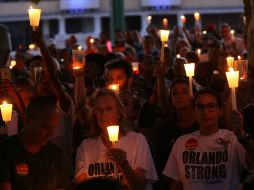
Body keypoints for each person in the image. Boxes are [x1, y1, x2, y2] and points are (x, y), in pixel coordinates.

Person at [163, 88, 254, 190]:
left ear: (220, 110)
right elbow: (177, 183)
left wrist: (242, 136)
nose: (205, 112)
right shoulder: (181, 143)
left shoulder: (233, 139)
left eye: (211, 106)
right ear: (194, 112)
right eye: (200, 107)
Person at [75, 88, 158, 190]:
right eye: (98, 109)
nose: (102, 114)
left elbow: (140, 186)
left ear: (119, 112)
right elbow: (83, 187)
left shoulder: (137, 141)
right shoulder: (86, 146)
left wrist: (124, 165)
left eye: (108, 108)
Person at [0, 96, 71, 190]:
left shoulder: (56, 155)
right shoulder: (5, 151)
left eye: (53, 128)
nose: (51, 134)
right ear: (27, 120)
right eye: (46, 127)